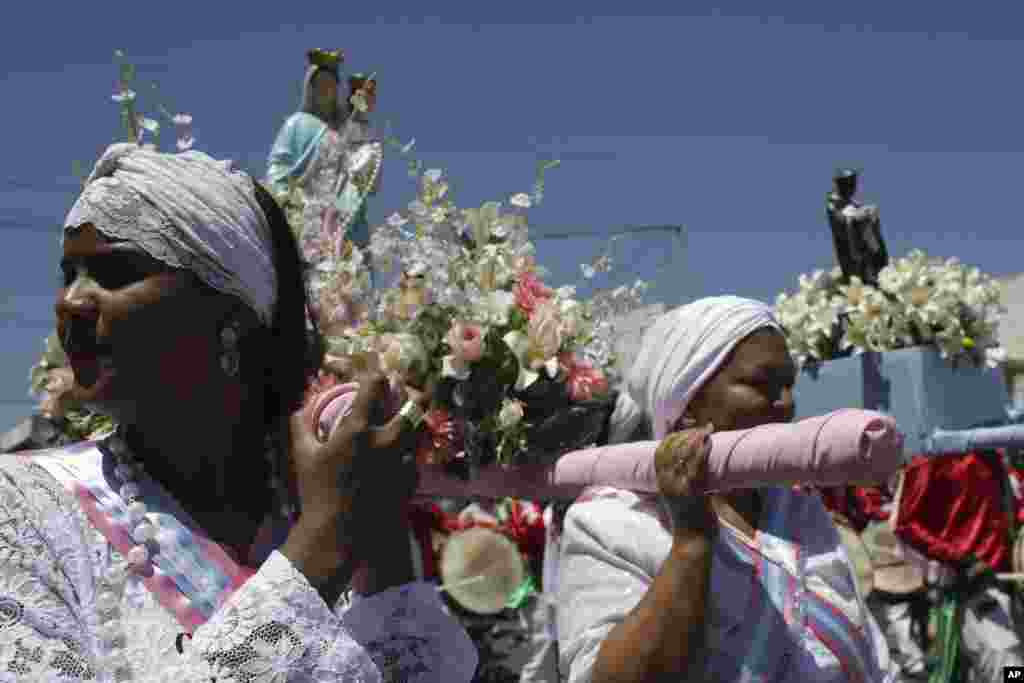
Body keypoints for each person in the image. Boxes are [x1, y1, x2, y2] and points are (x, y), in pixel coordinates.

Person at [0, 142, 477, 681]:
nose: (72, 301)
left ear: (230, 315)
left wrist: (378, 534)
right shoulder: (24, 508)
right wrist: (323, 544)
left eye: (117, 272)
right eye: (71, 274)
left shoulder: (321, 494)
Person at [554, 296, 896, 682]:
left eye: (788, 384)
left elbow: (869, 654)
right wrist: (691, 541)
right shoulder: (612, 520)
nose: (786, 403)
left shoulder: (797, 509)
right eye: (761, 384)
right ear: (687, 403)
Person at [267, 50, 382, 329]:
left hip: (346, 219)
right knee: (312, 285)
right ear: (309, 89)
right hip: (310, 218)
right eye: (320, 86)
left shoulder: (344, 129)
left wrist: (362, 116)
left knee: (353, 285)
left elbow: (367, 173)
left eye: (331, 87)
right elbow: (278, 168)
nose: (326, 92)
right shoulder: (296, 125)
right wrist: (288, 201)